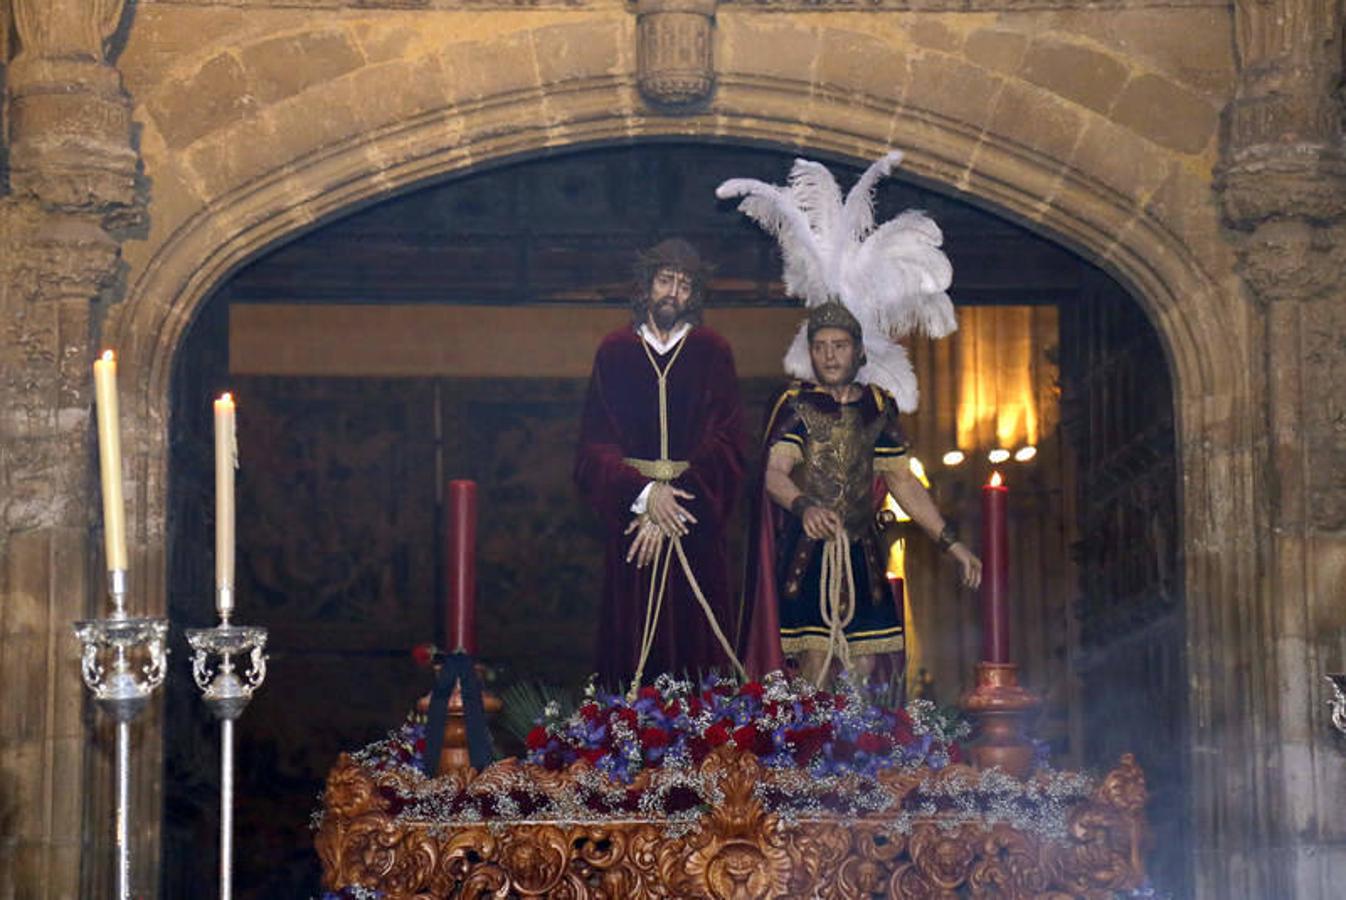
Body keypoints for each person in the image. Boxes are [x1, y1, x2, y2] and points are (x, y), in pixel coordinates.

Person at [751, 302, 982, 687]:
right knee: (814, 663)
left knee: (865, 666)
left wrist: (951, 543)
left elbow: (902, 481)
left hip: (863, 551)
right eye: (820, 346)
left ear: (858, 351)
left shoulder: (877, 406)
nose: (829, 356)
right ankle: (813, 728)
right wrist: (804, 506)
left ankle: (855, 729)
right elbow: (773, 473)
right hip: (807, 555)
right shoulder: (796, 404)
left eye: (839, 346)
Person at [574, 238, 746, 690]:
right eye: (665, 280)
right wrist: (646, 496)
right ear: (646, 285)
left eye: (685, 285)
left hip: (695, 527)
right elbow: (594, 447)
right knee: (631, 652)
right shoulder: (615, 351)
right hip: (633, 532)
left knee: (698, 649)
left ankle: (707, 734)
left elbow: (728, 444)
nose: (673, 293)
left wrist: (671, 508)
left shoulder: (713, 351)